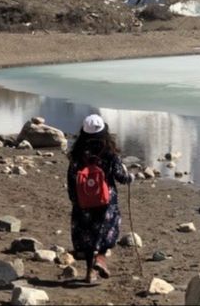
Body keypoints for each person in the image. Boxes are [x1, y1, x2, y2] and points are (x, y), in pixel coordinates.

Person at [67, 114, 133, 284]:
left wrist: (75, 199)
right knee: (108, 231)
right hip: (106, 201)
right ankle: (101, 259)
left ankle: (90, 273)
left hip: (83, 201)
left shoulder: (78, 153)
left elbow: (72, 177)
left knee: (88, 236)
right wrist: (130, 178)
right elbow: (120, 176)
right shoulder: (109, 152)